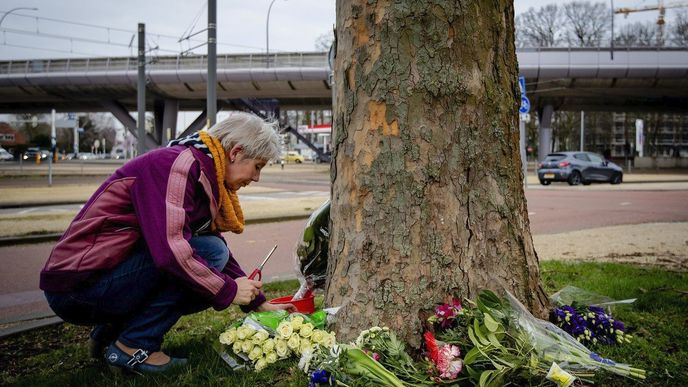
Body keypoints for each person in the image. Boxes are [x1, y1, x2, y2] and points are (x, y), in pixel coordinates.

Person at [40, 112, 295, 375]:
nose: (256, 178)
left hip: (90, 280)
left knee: (209, 259)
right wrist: (228, 290)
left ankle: (109, 336)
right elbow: (172, 252)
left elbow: (205, 244)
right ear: (236, 152)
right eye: (258, 166)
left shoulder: (199, 169)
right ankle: (134, 346)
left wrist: (257, 302)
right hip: (77, 289)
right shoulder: (178, 167)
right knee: (207, 259)